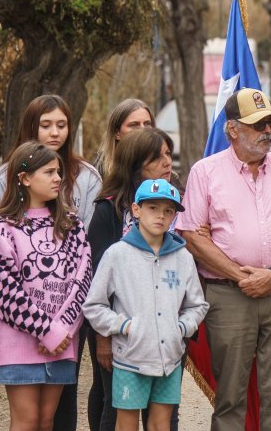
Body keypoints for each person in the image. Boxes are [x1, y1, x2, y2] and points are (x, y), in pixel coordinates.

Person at [176, 88, 271, 431]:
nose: (267, 131)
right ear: (233, 129)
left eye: (270, 123)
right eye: (257, 125)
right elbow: (192, 234)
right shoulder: (204, 172)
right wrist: (242, 277)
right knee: (231, 395)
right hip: (228, 293)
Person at [0, 94, 102, 431]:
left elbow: (83, 279)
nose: (58, 179)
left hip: (64, 339)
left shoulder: (72, 224)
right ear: (23, 178)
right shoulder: (2, 227)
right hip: (18, 341)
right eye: (49, 173)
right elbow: (1, 289)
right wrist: (46, 329)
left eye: (59, 172)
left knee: (47, 420)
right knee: (24, 422)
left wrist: (64, 328)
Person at [83, 178, 209, 431]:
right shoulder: (117, 255)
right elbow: (93, 305)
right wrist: (125, 326)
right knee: (126, 424)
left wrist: (182, 328)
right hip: (131, 359)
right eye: (153, 208)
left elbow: (198, 305)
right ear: (136, 210)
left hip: (169, 360)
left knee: (161, 424)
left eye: (168, 210)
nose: (161, 216)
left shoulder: (182, 257)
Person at [86, 128, 177, 431]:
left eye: (168, 154)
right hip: (121, 334)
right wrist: (104, 338)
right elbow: (98, 282)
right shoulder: (108, 210)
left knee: (163, 414)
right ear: (137, 164)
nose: (168, 162)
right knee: (118, 412)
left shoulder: (173, 204)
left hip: (164, 333)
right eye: (158, 157)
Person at [0, 94, 102, 227]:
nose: (55, 133)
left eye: (61, 126)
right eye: (45, 126)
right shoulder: (5, 175)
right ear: (30, 127)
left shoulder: (87, 176)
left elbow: (92, 235)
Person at [94, 99, 154, 177]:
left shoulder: (162, 167)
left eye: (147, 124)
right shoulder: (98, 172)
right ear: (117, 132)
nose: (143, 130)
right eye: (134, 125)